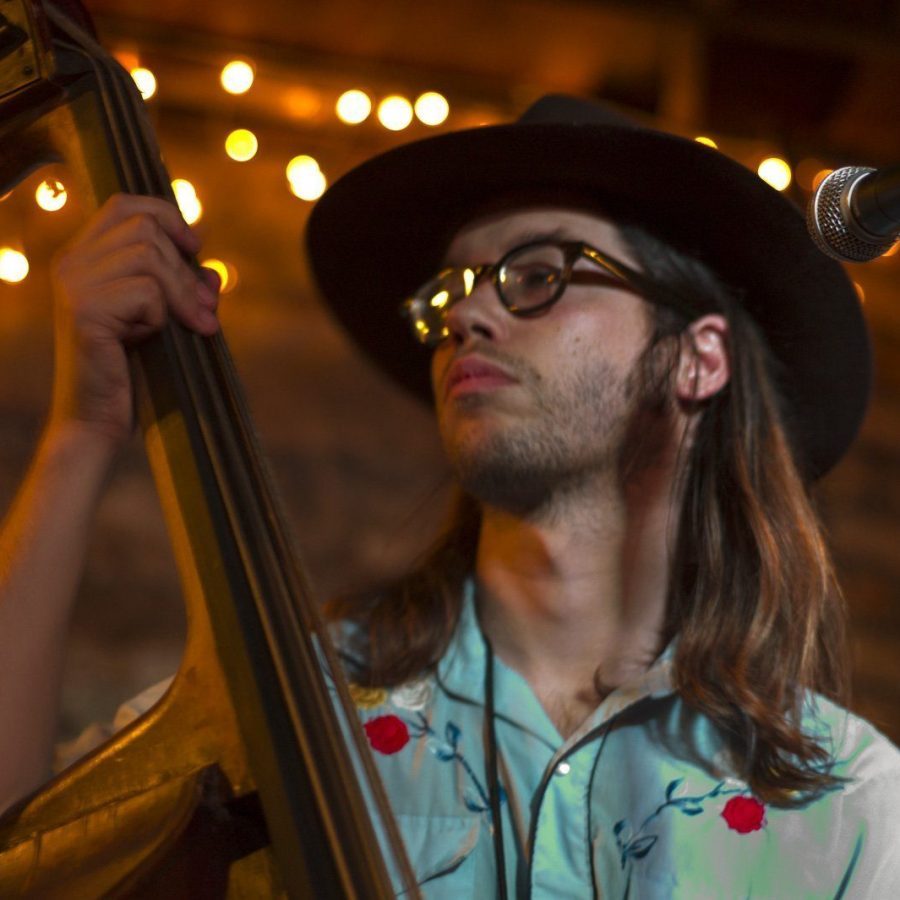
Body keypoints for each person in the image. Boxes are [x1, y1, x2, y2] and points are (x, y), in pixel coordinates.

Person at [1, 93, 898, 897]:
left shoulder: (849, 805)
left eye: (539, 275)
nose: (466, 313)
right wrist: (81, 437)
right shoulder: (293, 711)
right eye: (449, 293)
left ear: (698, 358)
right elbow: (22, 851)